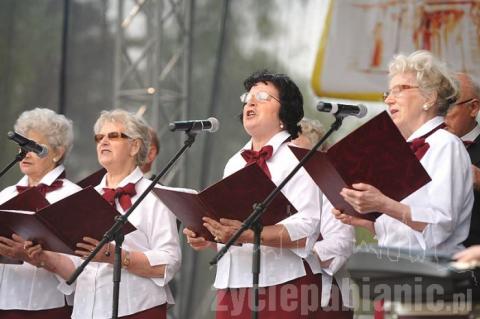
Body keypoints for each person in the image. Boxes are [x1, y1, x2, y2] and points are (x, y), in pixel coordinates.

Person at [184, 70, 354, 318]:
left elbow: (306, 229)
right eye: (248, 97)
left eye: (263, 97)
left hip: (283, 283)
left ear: (284, 112)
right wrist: (210, 235)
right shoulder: (234, 162)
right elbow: (232, 227)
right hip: (233, 285)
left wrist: (250, 235)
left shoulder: (300, 157)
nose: (250, 102)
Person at [26, 109, 181, 319]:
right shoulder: (84, 199)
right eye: (99, 137)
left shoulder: (155, 196)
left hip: (137, 309)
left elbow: (169, 262)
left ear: (135, 146)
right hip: (86, 310)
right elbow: (77, 269)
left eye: (113, 136)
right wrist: (44, 258)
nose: (103, 142)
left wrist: (120, 257)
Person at [333, 50, 473, 255]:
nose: (389, 100)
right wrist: (364, 220)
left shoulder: (446, 145)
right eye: (388, 93)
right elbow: (405, 233)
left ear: (430, 97)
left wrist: (384, 204)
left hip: (433, 275)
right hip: (396, 267)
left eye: (400, 89)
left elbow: (440, 225)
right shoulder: (400, 149)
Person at [0, 108, 81, 318]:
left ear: (57, 152)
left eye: (34, 146)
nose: (25, 153)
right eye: (22, 145)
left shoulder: (74, 196)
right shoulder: (6, 194)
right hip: (4, 302)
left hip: (48, 306)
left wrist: (35, 255)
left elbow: (82, 267)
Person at [445, 73, 480, 247]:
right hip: (425, 261)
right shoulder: (423, 147)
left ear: (473, 108)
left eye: (448, 105)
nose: (439, 115)